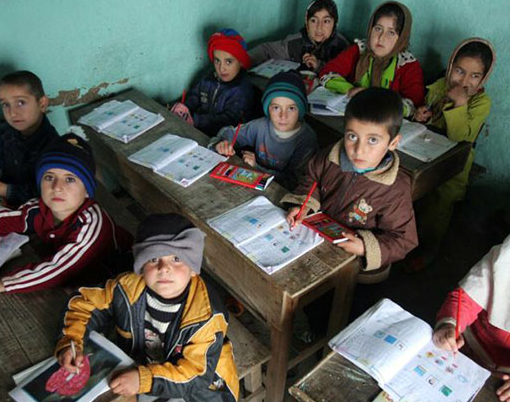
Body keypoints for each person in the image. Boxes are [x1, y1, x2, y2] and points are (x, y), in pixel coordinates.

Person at [55, 213, 239, 402]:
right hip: (147, 373)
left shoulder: (208, 316)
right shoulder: (127, 288)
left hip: (200, 391)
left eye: (177, 259)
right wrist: (71, 342)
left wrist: (141, 379)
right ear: (141, 266)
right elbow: (84, 303)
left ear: (194, 269)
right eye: (153, 260)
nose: (164, 268)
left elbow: (194, 374)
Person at [0, 133, 132, 299]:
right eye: (49, 177)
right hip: (67, 271)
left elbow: (57, 270)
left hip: (114, 278)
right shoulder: (38, 208)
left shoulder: (91, 224)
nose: (56, 187)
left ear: (87, 190)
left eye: (70, 179)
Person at [283, 87, 417, 273]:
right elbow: (311, 178)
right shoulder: (330, 156)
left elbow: (403, 238)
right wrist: (304, 205)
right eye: (352, 136)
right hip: (313, 235)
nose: (358, 150)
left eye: (372, 140)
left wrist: (364, 247)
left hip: (352, 254)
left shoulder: (395, 187)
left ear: (393, 143)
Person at [408, 39, 496, 270]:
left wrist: (460, 104)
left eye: (474, 76)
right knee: (415, 199)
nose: (464, 81)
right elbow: (425, 113)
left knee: (438, 209)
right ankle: (407, 240)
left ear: (483, 78)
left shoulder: (480, 102)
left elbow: (461, 136)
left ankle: (430, 249)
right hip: (424, 153)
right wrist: (420, 115)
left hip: (453, 165)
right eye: (459, 71)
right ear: (450, 68)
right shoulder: (438, 86)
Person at [432, 235, 510, 402]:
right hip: (466, 349)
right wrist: (449, 324)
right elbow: (463, 300)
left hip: (502, 386)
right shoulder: (505, 257)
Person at [209, 71, 317, 189]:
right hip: (256, 187)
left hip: (282, 194)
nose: (283, 115)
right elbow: (228, 132)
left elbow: (292, 181)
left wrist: (257, 167)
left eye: (291, 108)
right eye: (276, 108)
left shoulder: (306, 139)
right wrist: (221, 144)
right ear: (268, 109)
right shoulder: (261, 126)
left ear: (300, 110)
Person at [319, 1, 424, 118]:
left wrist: (378, 100)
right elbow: (326, 73)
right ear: (370, 29)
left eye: (391, 32)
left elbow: (413, 106)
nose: (381, 38)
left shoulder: (408, 65)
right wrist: (350, 90)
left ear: (402, 38)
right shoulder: (360, 50)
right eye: (378, 29)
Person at [0, 70, 59, 207]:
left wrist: (4, 190)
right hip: (2, 200)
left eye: (20, 102)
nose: (12, 113)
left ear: (42, 104)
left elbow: (49, 191)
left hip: (33, 211)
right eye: (5, 104)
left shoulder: (53, 147)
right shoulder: (3, 131)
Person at [171, 28, 255, 137]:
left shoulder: (241, 90)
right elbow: (195, 95)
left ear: (241, 62)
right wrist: (184, 108)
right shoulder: (210, 78)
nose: (221, 68)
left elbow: (229, 120)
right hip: (200, 129)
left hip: (223, 141)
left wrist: (195, 120)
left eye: (228, 62)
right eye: (217, 61)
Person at [249, 0, 349, 72]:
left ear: (334, 23)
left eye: (326, 21)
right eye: (314, 20)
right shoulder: (295, 42)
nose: (319, 27)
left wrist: (319, 66)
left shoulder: (341, 45)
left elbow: (345, 73)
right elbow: (265, 50)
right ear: (306, 22)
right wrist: (241, 61)